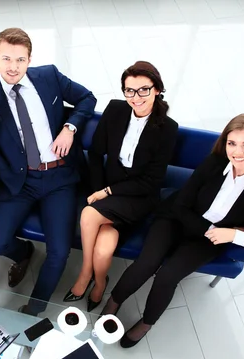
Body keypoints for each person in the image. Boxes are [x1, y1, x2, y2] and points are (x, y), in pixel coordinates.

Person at [100, 113, 244, 348]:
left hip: (209, 240)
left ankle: (147, 323)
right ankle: (114, 302)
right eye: (232, 143)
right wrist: (213, 229)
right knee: (146, 263)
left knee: (167, 277)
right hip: (177, 219)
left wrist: (233, 235)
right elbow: (180, 206)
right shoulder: (214, 163)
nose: (237, 152)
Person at [0, 28, 96, 314]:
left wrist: (70, 128)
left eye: (20, 60)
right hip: (19, 181)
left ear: (29, 59)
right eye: (6, 59)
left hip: (60, 177)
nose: (13, 67)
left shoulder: (48, 76)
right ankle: (24, 253)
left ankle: (33, 310)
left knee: (59, 252)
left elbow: (87, 99)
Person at [63, 61, 178, 312]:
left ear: (157, 89)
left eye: (143, 90)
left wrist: (107, 193)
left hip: (138, 197)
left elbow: (151, 182)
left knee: (89, 213)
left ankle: (84, 275)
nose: (135, 97)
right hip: (107, 188)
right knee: (103, 251)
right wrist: (99, 190)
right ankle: (101, 281)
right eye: (129, 90)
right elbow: (95, 155)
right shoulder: (116, 110)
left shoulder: (167, 129)